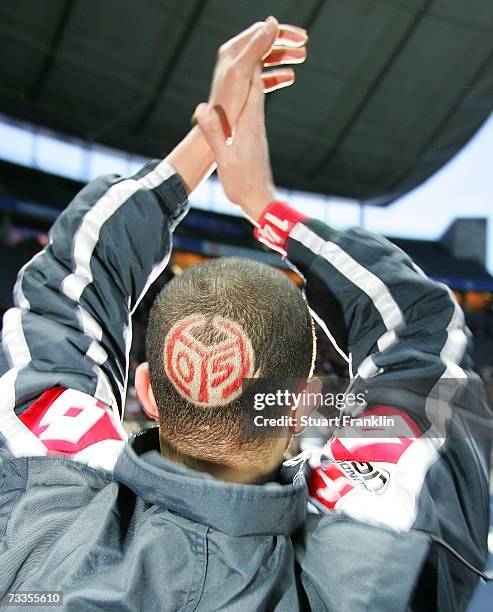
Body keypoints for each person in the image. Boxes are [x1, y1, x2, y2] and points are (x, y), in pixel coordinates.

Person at [0, 18, 314, 611]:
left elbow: (64, 282)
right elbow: (420, 330)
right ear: (298, 401)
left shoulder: (35, 516)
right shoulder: (364, 570)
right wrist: (267, 207)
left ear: (144, 388)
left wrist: (209, 138)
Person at [194, 65, 492, 610]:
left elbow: (55, 315)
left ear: (146, 390)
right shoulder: (386, 512)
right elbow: (422, 318)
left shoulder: (73, 540)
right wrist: (263, 203)